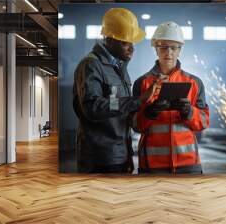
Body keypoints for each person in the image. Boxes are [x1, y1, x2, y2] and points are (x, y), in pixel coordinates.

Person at [73, 8, 159, 173]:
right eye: (125, 42)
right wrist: (137, 100)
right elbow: (93, 108)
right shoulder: (91, 65)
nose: (131, 48)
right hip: (100, 158)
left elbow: (114, 105)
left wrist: (148, 110)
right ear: (108, 39)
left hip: (120, 153)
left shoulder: (118, 67)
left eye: (132, 42)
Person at [132, 21, 210, 174]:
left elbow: (204, 122)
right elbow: (134, 124)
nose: (169, 52)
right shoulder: (142, 83)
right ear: (156, 49)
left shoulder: (194, 83)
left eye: (174, 47)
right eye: (163, 47)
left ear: (180, 50)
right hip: (152, 165)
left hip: (187, 163)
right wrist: (149, 113)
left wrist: (189, 112)